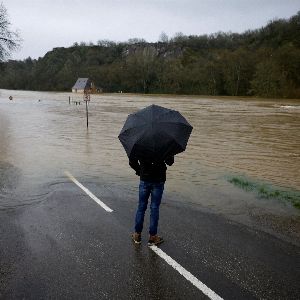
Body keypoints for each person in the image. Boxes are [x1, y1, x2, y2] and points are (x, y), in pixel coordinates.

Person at [129, 156, 174, 245]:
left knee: (141, 207)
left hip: (144, 179)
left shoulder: (140, 143)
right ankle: (153, 236)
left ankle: (137, 234)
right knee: (154, 208)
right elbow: (170, 162)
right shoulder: (165, 144)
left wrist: (139, 171)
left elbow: (132, 161)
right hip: (159, 179)